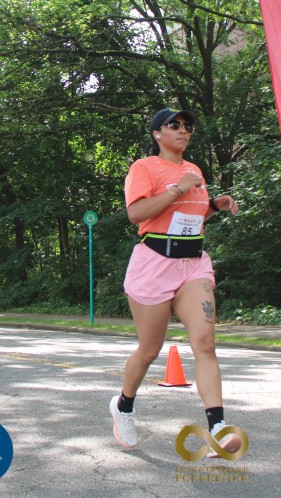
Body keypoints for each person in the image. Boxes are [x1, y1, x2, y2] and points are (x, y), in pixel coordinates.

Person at [109, 108, 241, 454]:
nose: (184, 130)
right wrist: (176, 188)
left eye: (188, 126)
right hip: (154, 263)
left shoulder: (194, 170)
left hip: (193, 264)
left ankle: (218, 426)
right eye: (175, 125)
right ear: (158, 134)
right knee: (149, 350)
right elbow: (137, 214)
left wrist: (214, 205)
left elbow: (190, 216)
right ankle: (123, 406)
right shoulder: (144, 167)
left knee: (205, 342)